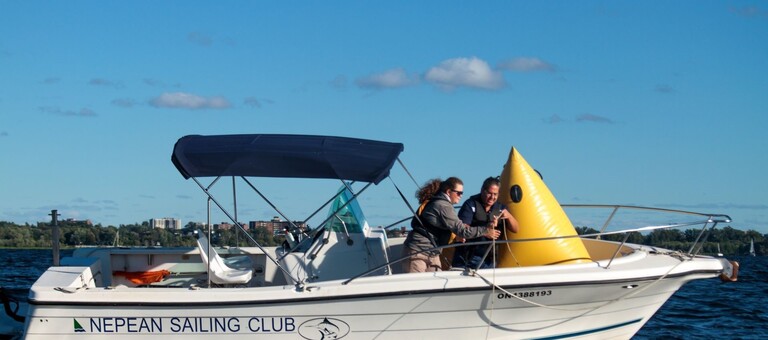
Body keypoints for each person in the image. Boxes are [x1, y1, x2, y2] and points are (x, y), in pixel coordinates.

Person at [402, 177, 501, 273]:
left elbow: (451, 229)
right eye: (458, 193)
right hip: (418, 251)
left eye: (462, 193)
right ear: (449, 192)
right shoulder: (443, 206)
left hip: (432, 252)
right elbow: (462, 230)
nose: (461, 196)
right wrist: (485, 231)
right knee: (419, 288)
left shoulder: (442, 204)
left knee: (436, 286)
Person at [453, 176, 519, 269]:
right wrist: (486, 231)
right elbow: (463, 230)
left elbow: (516, 229)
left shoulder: (501, 208)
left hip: (490, 259)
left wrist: (509, 216)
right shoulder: (470, 204)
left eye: (495, 194)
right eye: (489, 193)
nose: (492, 197)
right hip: (468, 257)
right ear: (482, 190)